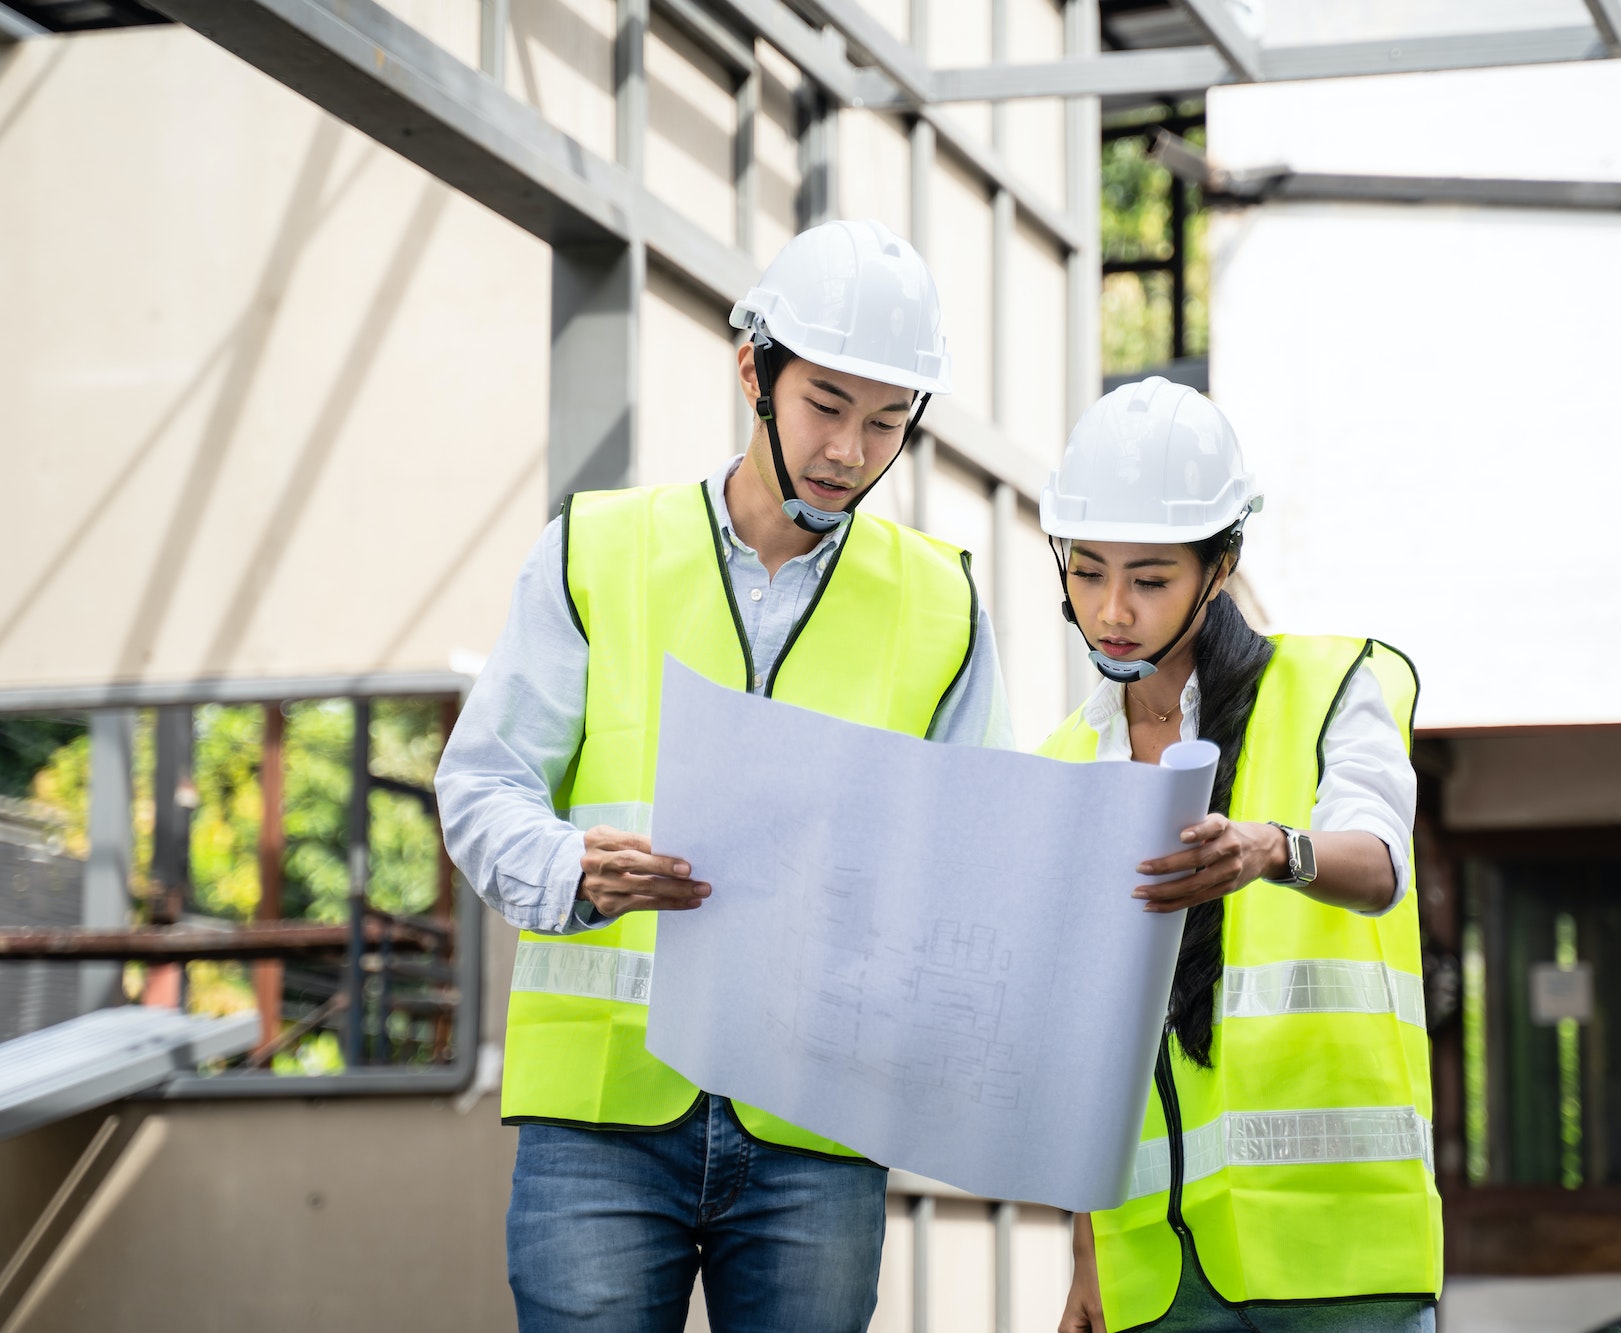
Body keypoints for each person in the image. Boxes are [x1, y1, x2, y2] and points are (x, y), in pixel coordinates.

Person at [435, 219, 1012, 1333]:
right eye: (826, 406)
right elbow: (481, 785)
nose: (851, 449)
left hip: (815, 1116)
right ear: (754, 371)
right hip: (601, 1113)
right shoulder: (594, 551)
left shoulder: (943, 603)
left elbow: (972, 858)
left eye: (887, 422)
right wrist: (572, 867)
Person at [1040, 378, 1441, 1332]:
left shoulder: (1333, 685)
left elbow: (1380, 861)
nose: (1112, 608)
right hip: (1156, 1276)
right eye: (1087, 570)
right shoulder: (1062, 765)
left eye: (1149, 577)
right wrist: (1085, 1255)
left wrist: (1274, 850)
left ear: (1220, 568)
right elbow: (1073, 1041)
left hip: (1344, 1267)